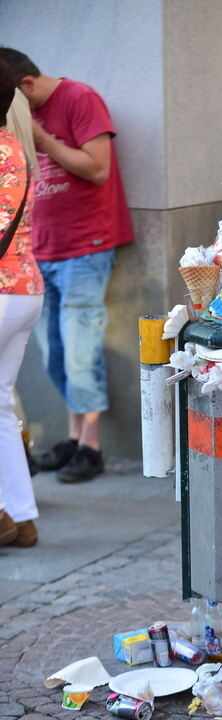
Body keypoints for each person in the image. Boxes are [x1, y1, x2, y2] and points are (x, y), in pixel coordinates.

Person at [0, 47, 134, 483]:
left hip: (84, 248)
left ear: (25, 85)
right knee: (55, 355)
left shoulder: (79, 98)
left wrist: (44, 141)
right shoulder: (21, 113)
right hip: (40, 253)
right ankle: (75, 438)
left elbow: (97, 169)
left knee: (80, 352)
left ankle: (90, 445)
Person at [0, 57, 44, 547]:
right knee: (1, 406)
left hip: (3, 290)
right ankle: (20, 516)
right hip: (24, 288)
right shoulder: (14, 146)